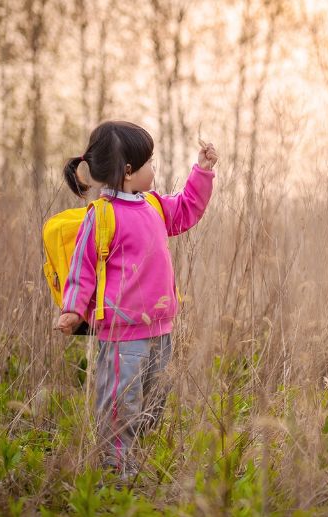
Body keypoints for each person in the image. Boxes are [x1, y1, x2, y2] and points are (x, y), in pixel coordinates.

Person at [54, 120, 218, 479]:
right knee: (120, 405)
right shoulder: (103, 215)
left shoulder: (154, 206)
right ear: (128, 171)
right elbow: (82, 268)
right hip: (122, 335)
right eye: (148, 163)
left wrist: (202, 173)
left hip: (161, 330)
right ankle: (115, 473)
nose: (153, 169)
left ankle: (136, 458)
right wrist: (73, 309)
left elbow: (187, 209)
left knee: (152, 402)